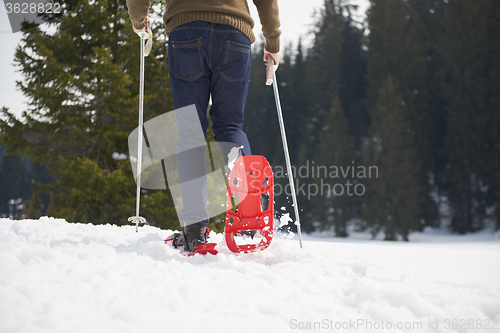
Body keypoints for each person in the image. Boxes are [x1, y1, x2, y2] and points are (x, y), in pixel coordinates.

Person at [126, 0, 281, 252]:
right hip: (235, 32)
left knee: (190, 132)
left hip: (186, 30)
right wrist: (272, 40)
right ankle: (249, 215)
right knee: (230, 125)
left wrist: (139, 20)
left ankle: (194, 231)